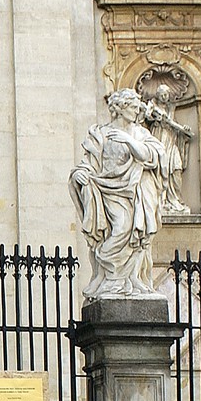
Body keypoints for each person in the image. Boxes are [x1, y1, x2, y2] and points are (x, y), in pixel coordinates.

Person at [69, 88, 169, 300]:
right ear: (120, 108)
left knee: (131, 232)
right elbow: (89, 165)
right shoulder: (100, 134)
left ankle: (130, 281)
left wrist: (129, 141)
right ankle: (111, 279)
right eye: (133, 107)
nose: (137, 111)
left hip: (134, 193)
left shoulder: (141, 134)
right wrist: (80, 175)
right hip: (108, 191)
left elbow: (152, 156)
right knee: (120, 227)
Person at [144, 83, 193, 215]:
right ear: (158, 95)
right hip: (159, 139)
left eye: (166, 94)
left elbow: (174, 125)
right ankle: (161, 200)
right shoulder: (152, 105)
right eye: (162, 94)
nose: (165, 97)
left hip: (171, 140)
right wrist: (154, 116)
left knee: (176, 168)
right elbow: (145, 116)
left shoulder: (171, 109)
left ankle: (174, 199)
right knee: (160, 168)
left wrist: (184, 130)